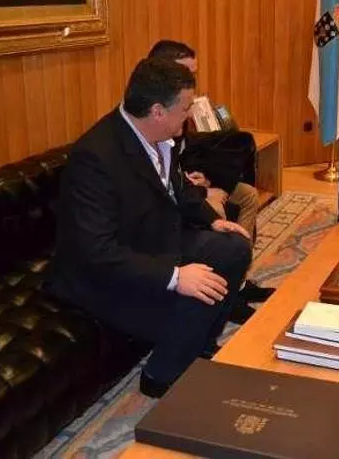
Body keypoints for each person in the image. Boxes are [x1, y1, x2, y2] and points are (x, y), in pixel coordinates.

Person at [47, 58, 253, 398]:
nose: (189, 114)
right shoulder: (95, 158)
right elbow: (96, 252)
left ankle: (198, 347)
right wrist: (175, 276)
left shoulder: (157, 136)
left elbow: (177, 189)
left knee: (233, 248)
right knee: (194, 289)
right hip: (103, 273)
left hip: (151, 242)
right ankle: (160, 377)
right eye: (185, 108)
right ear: (158, 111)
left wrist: (212, 219)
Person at [147, 39, 274, 303]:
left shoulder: (182, 107)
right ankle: (223, 293)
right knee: (216, 207)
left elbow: (186, 153)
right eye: (186, 73)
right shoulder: (155, 113)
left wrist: (206, 179)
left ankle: (237, 281)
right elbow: (161, 177)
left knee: (248, 194)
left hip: (191, 180)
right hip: (179, 197)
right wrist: (202, 191)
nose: (192, 82)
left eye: (194, 74)